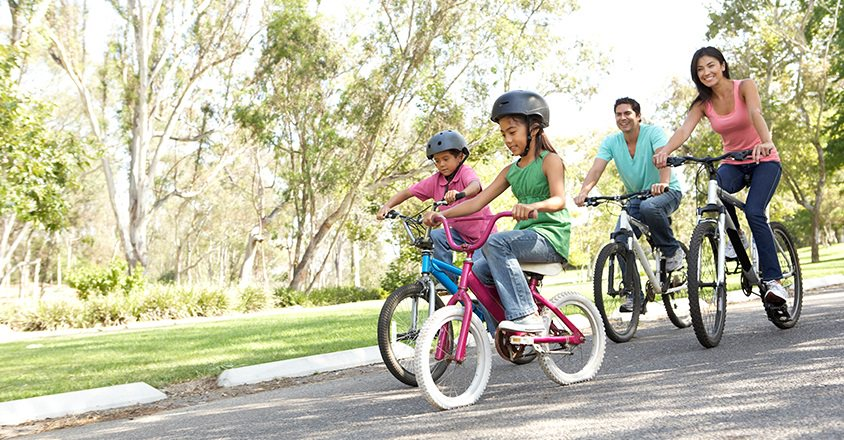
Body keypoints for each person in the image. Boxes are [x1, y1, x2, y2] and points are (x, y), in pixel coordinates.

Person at [423, 90, 570, 334]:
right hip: (523, 239)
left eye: (512, 132)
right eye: (503, 134)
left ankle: (525, 314)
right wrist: (442, 214)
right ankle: (502, 332)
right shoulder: (510, 170)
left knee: (494, 243)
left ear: (533, 129)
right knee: (477, 274)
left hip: (550, 238)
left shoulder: (550, 160)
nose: (507, 139)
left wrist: (533, 206)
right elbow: (477, 201)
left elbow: (559, 200)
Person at [652, 46, 787, 305]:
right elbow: (684, 130)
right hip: (733, 163)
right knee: (716, 187)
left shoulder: (744, 86)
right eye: (700, 69)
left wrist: (766, 141)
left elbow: (755, 113)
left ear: (722, 65)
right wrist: (666, 151)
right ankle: (737, 240)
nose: (706, 72)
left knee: (755, 212)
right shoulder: (703, 104)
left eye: (710, 65)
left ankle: (774, 282)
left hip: (764, 160)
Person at [574, 97, 685, 312]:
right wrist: (584, 192)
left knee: (649, 207)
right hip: (637, 196)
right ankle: (634, 295)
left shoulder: (652, 133)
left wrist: (662, 183)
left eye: (627, 113)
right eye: (618, 114)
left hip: (667, 191)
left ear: (638, 116)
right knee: (621, 238)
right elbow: (596, 169)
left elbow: (663, 157)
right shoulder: (611, 142)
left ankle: (672, 251)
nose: (622, 118)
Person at [376, 130, 495, 277]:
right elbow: (407, 192)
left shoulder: (465, 172)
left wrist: (460, 194)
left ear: (460, 156)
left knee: (478, 274)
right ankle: (446, 280)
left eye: (446, 159)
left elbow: (475, 186)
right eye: (437, 161)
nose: (441, 164)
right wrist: (387, 206)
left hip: (483, 235)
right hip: (459, 233)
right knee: (436, 236)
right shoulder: (436, 180)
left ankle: (488, 299)